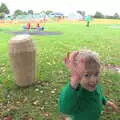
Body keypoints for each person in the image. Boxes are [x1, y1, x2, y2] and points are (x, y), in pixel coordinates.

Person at [59, 49, 119, 120]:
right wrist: (74, 80)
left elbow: (99, 94)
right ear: (77, 75)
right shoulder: (75, 92)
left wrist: (105, 101)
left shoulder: (96, 86)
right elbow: (65, 109)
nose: (93, 80)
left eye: (96, 74)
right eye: (87, 75)